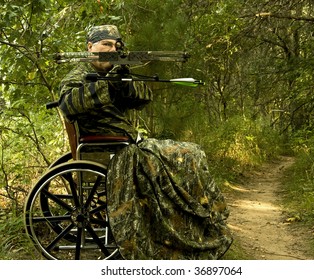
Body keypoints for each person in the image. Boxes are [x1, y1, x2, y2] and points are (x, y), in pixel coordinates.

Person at [58, 25, 233, 260]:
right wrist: (106, 85)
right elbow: (68, 105)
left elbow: (144, 97)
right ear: (90, 47)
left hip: (129, 146)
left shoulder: (115, 72)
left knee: (193, 152)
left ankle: (200, 220)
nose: (111, 50)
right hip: (111, 151)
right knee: (189, 154)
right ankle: (194, 221)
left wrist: (123, 83)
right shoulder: (77, 75)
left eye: (115, 46)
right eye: (105, 45)